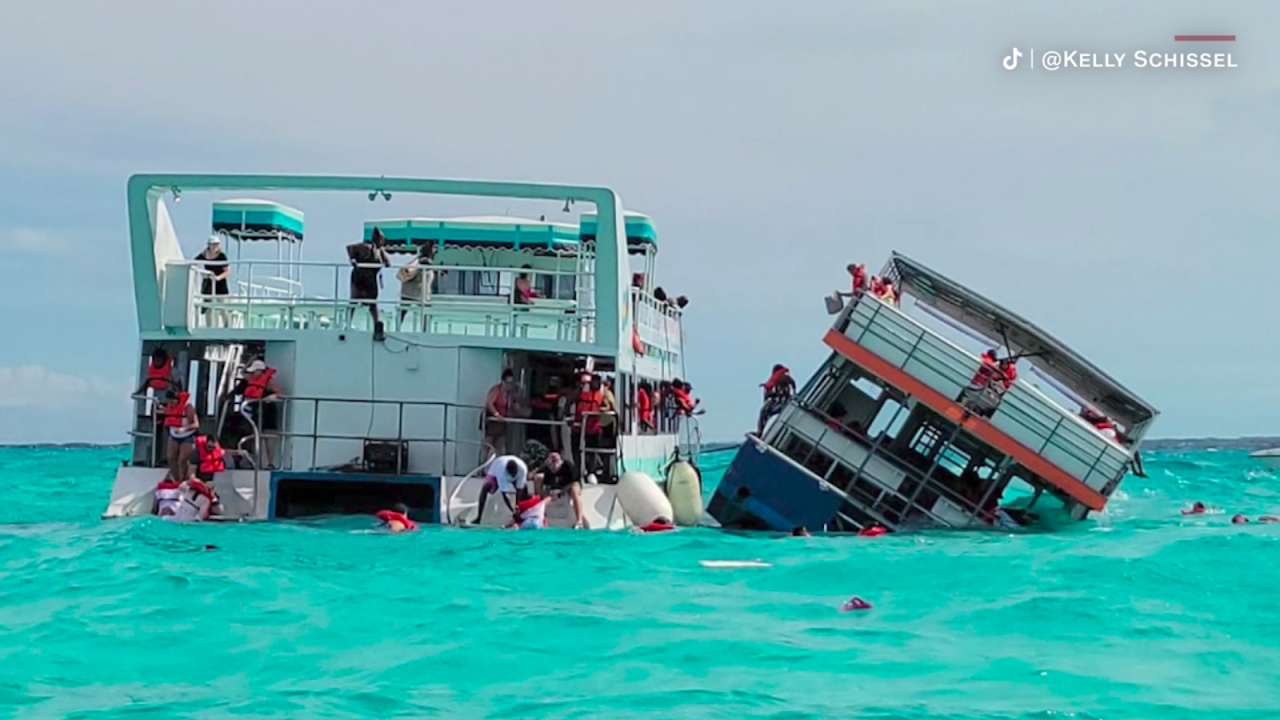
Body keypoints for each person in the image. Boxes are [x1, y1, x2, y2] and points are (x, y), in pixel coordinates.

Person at [347, 227, 391, 327]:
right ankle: (348, 322)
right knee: (354, 300)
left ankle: (376, 324)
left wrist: (382, 253)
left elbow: (388, 264)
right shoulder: (366, 246)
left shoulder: (379, 251)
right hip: (360, 277)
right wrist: (352, 259)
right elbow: (349, 248)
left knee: (373, 303)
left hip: (371, 279)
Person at [532, 452, 589, 529]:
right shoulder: (547, 469)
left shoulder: (568, 466)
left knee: (574, 490)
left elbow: (574, 482)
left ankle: (579, 520)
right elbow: (540, 480)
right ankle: (539, 512)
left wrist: (562, 491)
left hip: (568, 487)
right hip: (555, 489)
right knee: (539, 480)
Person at [474, 455, 529, 524]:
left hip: (515, 473)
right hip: (495, 470)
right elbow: (505, 495)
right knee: (486, 487)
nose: (512, 476)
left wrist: (517, 506)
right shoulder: (501, 471)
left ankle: (525, 513)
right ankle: (478, 517)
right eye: (511, 474)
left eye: (513, 474)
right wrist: (513, 511)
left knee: (524, 490)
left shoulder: (523, 470)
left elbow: (519, 491)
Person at [161, 389, 199, 482]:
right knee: (170, 457)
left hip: (187, 435)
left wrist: (184, 429)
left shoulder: (188, 407)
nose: (170, 404)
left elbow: (196, 424)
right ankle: (176, 480)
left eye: (172, 401)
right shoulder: (169, 406)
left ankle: (184, 479)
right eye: (168, 402)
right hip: (174, 434)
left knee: (182, 459)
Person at [397, 243, 436, 330]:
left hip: (407, 290)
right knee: (425, 311)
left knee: (403, 311)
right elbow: (429, 265)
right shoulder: (425, 260)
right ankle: (425, 330)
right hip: (418, 292)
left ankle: (397, 327)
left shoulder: (417, 260)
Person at [484, 369, 516, 456]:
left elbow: (511, 406)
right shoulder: (496, 390)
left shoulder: (510, 393)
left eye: (511, 383)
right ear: (502, 381)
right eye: (507, 383)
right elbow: (489, 403)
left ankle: (497, 465)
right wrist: (497, 415)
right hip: (492, 420)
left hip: (502, 421)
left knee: (500, 446)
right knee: (488, 445)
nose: (509, 385)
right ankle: (484, 466)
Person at [757, 364, 795, 436]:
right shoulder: (786, 378)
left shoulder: (777, 380)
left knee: (763, 413)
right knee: (766, 413)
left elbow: (769, 396)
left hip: (780, 403)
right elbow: (792, 388)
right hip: (785, 403)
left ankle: (760, 432)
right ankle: (762, 432)